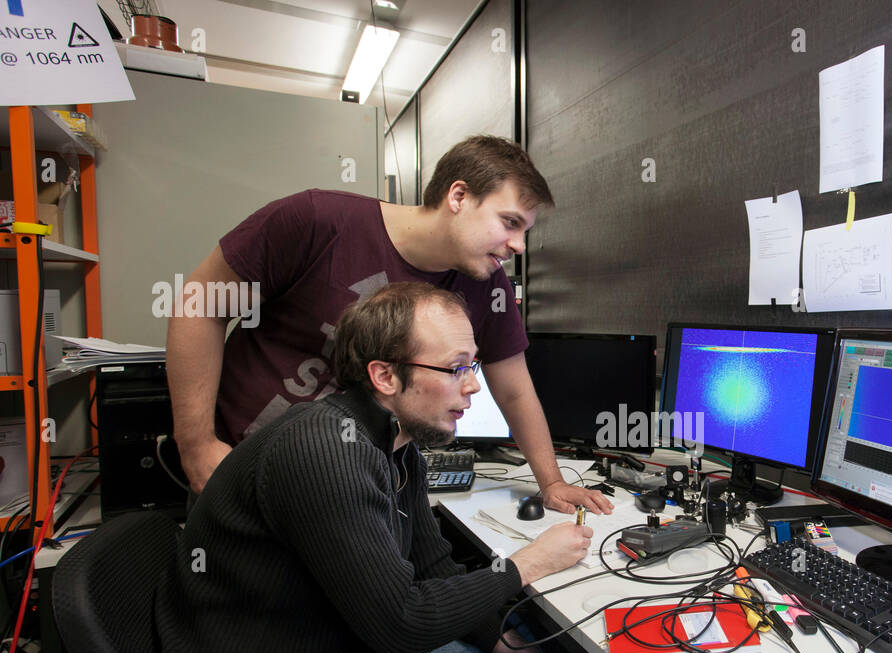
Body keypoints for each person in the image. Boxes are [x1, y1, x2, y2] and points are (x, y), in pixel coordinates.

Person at [156, 282, 598, 653]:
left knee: (551, 643)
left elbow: (433, 567)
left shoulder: (395, 444)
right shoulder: (324, 451)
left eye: (473, 366)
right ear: (385, 376)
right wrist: (526, 564)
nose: (474, 385)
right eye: (456, 368)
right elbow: (401, 622)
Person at [166, 134, 611, 518]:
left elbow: (513, 387)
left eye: (526, 231)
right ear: (458, 197)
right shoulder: (318, 220)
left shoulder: (486, 284)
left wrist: (551, 483)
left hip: (353, 483)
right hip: (243, 467)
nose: (517, 244)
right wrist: (197, 445)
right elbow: (199, 305)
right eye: (510, 222)